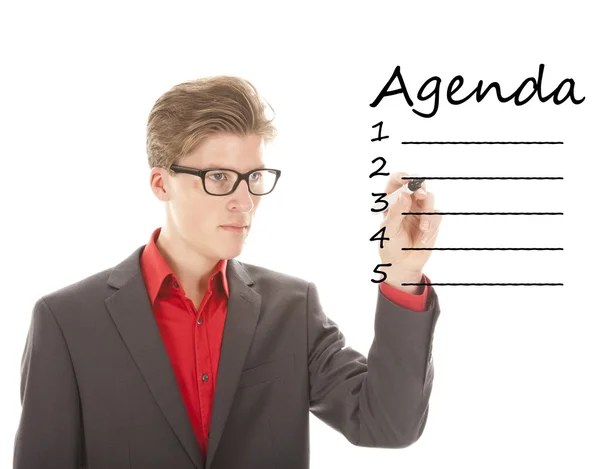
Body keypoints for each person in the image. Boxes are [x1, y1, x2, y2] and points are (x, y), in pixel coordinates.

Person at [13, 76, 443, 469]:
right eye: (219, 177)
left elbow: (388, 424)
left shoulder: (292, 309)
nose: (245, 201)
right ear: (161, 184)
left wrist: (401, 272)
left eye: (253, 176)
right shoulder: (66, 322)